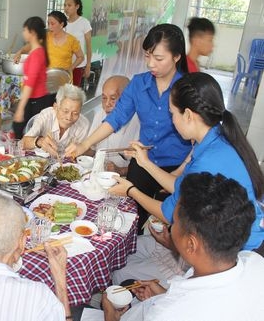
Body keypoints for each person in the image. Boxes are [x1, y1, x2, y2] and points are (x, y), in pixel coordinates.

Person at [110, 72, 264, 288]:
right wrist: (144, 162)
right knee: (131, 254)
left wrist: (130, 190)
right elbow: (180, 186)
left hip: (236, 255)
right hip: (232, 241)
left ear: (189, 115)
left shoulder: (208, 160)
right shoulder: (215, 138)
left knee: (122, 272)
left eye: (172, 113)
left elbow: (167, 211)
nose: (171, 120)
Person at [66, 24, 192, 232]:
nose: (151, 64)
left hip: (176, 166)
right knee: (130, 217)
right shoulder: (139, 83)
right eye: (147, 56)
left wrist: (181, 170)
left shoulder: (188, 88)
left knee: (171, 224)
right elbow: (116, 117)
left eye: (158, 58)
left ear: (177, 56)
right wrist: (85, 143)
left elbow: (201, 135)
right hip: (143, 162)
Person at [100, 173, 264, 321]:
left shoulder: (169, 314)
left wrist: (110, 316)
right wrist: (164, 294)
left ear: (191, 244)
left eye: (175, 222)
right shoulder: (254, 262)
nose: (171, 226)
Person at [12, 16, 56, 139]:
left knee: (24, 129)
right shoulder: (36, 49)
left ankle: (22, 153)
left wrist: (20, 108)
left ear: (32, 32)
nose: (23, 33)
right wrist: (20, 52)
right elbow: (27, 48)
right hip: (35, 99)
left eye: (24, 30)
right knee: (21, 128)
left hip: (37, 100)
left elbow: (30, 84)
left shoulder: (37, 55)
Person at [86, 75, 139, 176]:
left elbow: (143, 166)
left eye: (113, 98)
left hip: (124, 180)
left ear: (127, 99)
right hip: (97, 173)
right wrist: (78, 153)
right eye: (104, 98)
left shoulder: (138, 122)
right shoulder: (100, 114)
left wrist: (120, 170)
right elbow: (92, 149)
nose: (107, 104)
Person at [22, 83, 89, 157]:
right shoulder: (46, 115)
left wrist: (81, 148)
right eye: (65, 111)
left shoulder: (83, 124)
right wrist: (39, 141)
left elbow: (91, 152)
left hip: (66, 165)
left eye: (75, 113)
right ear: (56, 107)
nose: (69, 117)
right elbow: (23, 143)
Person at [64, 0, 92, 86]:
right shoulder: (63, 24)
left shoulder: (84, 22)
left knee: (73, 93)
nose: (66, 8)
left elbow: (88, 46)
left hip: (77, 65)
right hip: (63, 64)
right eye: (65, 5)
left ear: (77, 6)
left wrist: (88, 65)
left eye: (69, 5)